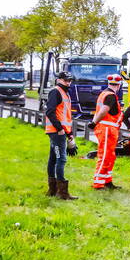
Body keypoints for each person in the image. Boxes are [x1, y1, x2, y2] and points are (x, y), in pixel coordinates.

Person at [45, 71, 78, 200]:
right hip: (57, 131)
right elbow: (50, 111)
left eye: (70, 80)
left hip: (61, 131)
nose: (68, 82)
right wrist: (60, 129)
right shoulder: (56, 92)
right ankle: (62, 193)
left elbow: (64, 116)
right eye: (66, 80)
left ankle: (53, 190)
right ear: (59, 80)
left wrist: (69, 134)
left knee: (53, 159)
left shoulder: (64, 93)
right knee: (61, 159)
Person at [89, 74, 124, 190]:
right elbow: (104, 111)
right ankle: (98, 183)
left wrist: (94, 123)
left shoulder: (104, 93)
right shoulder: (111, 96)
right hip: (107, 129)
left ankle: (107, 180)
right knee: (104, 156)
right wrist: (94, 122)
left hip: (106, 129)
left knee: (110, 156)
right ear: (119, 86)